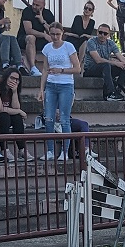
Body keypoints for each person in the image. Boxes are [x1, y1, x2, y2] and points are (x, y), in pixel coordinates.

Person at [37, 22, 80, 160]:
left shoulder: (68, 46)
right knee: (48, 118)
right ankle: (50, 151)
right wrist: (41, 89)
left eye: (57, 34)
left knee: (64, 119)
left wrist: (61, 70)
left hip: (65, 85)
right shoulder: (47, 48)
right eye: (52, 34)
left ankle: (65, 152)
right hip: (51, 85)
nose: (55, 37)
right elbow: (44, 69)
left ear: (62, 34)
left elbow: (77, 68)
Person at [0, 67, 32, 161]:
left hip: (4, 115)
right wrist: (19, 111)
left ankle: (22, 149)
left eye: (17, 79)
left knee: (17, 118)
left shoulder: (13, 89)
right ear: (6, 77)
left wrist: (14, 92)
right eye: (12, 78)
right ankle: (4, 150)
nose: (14, 81)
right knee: (4, 117)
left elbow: (16, 107)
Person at [84, 23, 125, 102]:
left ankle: (117, 92)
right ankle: (111, 93)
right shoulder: (91, 41)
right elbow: (98, 60)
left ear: (108, 35)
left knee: (124, 68)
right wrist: (115, 63)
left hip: (105, 69)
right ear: (97, 32)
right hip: (90, 69)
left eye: (105, 33)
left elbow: (121, 57)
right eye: (100, 32)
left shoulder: (110, 43)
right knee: (106, 65)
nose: (102, 35)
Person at [18, 0, 56, 77]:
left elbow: (53, 32)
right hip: (24, 38)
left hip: (39, 40)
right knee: (31, 38)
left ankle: (54, 69)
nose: (34, 7)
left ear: (43, 5)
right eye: (33, 4)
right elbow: (28, 30)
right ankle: (33, 68)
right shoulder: (27, 11)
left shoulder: (48, 14)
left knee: (55, 41)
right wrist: (44, 35)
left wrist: (43, 21)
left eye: (37, 5)